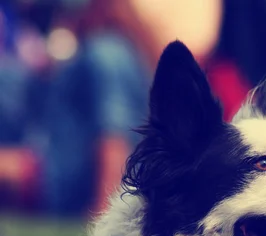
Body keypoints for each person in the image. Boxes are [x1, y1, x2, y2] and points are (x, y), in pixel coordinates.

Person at [42, 0, 249, 216]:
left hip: (150, 86)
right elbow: (80, 30)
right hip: (88, 81)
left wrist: (128, 18)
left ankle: (106, 200)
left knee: (109, 56)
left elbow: (179, 65)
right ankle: (57, 188)